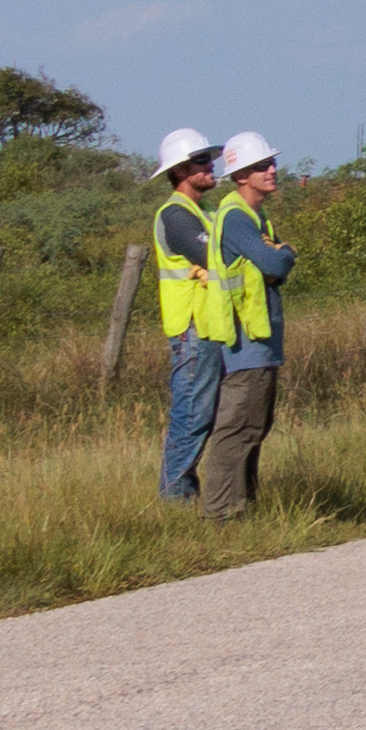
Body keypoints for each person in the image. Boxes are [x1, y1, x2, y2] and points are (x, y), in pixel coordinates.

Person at [197, 132, 295, 521]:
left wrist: (277, 258)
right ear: (239, 175)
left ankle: (244, 508)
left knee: (254, 428)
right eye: (260, 166)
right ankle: (222, 515)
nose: (271, 170)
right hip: (245, 341)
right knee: (237, 430)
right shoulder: (237, 218)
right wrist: (284, 252)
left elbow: (271, 270)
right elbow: (274, 264)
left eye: (271, 163)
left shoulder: (255, 216)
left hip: (260, 339)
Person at [147, 126, 225, 504]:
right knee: (193, 416)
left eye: (209, 158)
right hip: (192, 330)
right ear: (179, 170)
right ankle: (176, 498)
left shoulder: (206, 210)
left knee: (207, 416)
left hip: (214, 326)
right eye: (200, 160)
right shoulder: (176, 215)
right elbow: (221, 257)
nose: (211, 165)